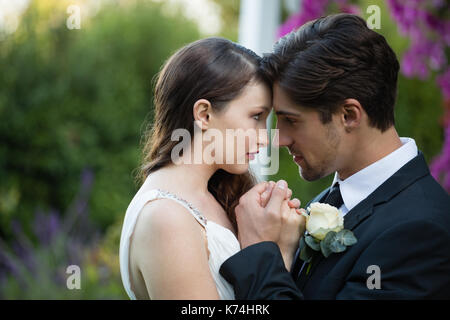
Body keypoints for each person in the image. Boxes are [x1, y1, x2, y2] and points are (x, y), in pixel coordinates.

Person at [219, 13, 450, 299]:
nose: (279, 139)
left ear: (348, 115)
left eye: (291, 120)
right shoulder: (327, 202)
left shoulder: (420, 232)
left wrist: (261, 253)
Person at [119, 37, 303, 300]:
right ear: (204, 114)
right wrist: (277, 251)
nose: (264, 138)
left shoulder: (219, 195)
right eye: (256, 117)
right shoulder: (165, 219)